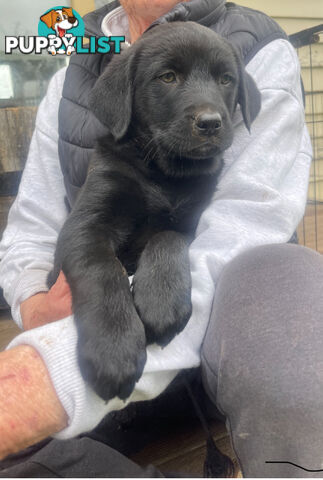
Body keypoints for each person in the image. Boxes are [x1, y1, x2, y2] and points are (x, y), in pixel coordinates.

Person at [0, 0, 320, 476]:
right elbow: (55, 231)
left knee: (291, 273)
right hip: (96, 347)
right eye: (169, 77)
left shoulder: (257, 43)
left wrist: (169, 248)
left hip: (207, 355)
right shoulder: (84, 63)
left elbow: (242, 230)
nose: (209, 109)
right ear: (123, 100)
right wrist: (34, 305)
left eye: (223, 81)